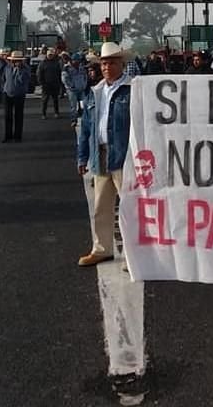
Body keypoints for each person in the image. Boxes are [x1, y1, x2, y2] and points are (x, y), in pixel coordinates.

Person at [77, 42, 133, 267]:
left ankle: (133, 255)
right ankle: (102, 249)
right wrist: (82, 156)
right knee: (101, 206)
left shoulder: (132, 89)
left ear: (122, 64)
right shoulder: (96, 91)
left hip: (124, 156)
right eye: (104, 63)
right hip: (99, 154)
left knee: (129, 208)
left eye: (112, 63)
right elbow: (87, 127)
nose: (107, 67)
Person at [1, 50, 31, 142]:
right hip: (7, 93)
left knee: (18, 115)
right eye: (14, 60)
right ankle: (8, 136)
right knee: (7, 116)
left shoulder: (26, 69)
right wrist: (4, 88)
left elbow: (23, 80)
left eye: (17, 60)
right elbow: (3, 78)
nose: (15, 62)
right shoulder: (7, 67)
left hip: (19, 94)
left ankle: (17, 136)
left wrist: (19, 70)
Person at [62, 52, 88, 126]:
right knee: (73, 106)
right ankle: (73, 119)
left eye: (78, 60)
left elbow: (85, 76)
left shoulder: (81, 67)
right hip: (72, 90)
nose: (77, 62)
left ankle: (84, 118)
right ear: (72, 60)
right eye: (75, 60)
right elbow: (65, 79)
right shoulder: (67, 68)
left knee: (84, 104)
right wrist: (71, 86)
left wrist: (84, 85)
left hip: (81, 89)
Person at [37, 49, 62, 118]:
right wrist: (41, 83)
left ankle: (56, 113)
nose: (50, 56)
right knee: (45, 100)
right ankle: (43, 114)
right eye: (49, 55)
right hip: (46, 84)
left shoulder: (56, 63)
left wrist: (59, 83)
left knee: (55, 100)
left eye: (51, 55)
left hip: (55, 84)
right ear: (47, 55)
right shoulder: (42, 63)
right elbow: (39, 74)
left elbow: (59, 73)